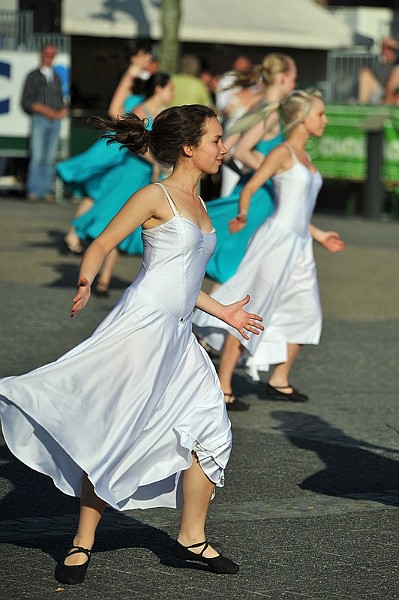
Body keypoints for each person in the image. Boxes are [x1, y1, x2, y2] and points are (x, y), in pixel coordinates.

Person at [0, 104, 264, 584]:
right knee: (116, 433)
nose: (224, 148)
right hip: (141, 331)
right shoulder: (154, 195)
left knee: (212, 430)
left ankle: (191, 538)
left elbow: (182, 279)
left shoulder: (202, 206)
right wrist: (85, 279)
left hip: (180, 338)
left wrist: (224, 311)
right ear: (189, 148)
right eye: (216, 140)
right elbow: (101, 244)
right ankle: (81, 542)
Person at [193, 90, 345, 411]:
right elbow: (250, 186)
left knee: (308, 311)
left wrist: (318, 234)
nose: (325, 120)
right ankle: (224, 385)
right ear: (302, 119)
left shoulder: (306, 158)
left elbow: (300, 210)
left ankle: (279, 378)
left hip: (300, 244)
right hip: (276, 242)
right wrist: (244, 213)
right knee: (255, 307)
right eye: (320, 114)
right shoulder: (282, 153)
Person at [71, 71, 175, 296]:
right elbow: (131, 143)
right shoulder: (140, 111)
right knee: (114, 217)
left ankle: (105, 280)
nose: (172, 93)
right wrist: (156, 162)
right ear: (158, 89)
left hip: (147, 177)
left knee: (130, 225)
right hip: (131, 171)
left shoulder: (163, 114)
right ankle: (87, 255)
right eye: (170, 88)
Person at [205, 53, 297, 286]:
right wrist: (273, 170)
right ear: (284, 77)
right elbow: (241, 150)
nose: (295, 84)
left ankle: (209, 319)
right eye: (294, 78)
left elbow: (225, 149)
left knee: (236, 264)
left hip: (247, 189)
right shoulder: (272, 111)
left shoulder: (258, 105)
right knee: (237, 266)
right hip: (259, 196)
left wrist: (250, 168)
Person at [58, 44, 154, 254]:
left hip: (126, 144)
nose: (149, 58)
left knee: (99, 190)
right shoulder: (131, 76)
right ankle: (77, 232)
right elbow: (114, 110)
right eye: (146, 54)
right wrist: (131, 130)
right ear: (135, 57)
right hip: (121, 146)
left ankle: (77, 232)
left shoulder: (143, 78)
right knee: (98, 190)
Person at [21, 44, 68, 203]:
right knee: (37, 156)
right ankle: (34, 190)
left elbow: (61, 99)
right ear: (41, 55)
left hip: (55, 121)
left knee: (49, 158)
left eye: (52, 55)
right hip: (40, 119)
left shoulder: (56, 76)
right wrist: (45, 110)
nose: (49, 58)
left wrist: (62, 110)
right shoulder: (33, 75)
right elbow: (27, 101)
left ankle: (46, 190)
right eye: (47, 54)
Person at [358, 36, 399, 105]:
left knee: (396, 75)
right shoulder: (379, 62)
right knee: (365, 74)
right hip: (381, 91)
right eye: (384, 47)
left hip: (393, 94)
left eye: (390, 48)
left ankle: (387, 105)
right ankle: (362, 107)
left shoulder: (396, 63)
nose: (386, 50)